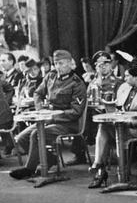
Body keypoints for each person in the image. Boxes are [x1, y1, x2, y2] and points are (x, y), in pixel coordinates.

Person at [9, 50, 87, 179]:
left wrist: (53, 116)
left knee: (36, 134)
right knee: (21, 138)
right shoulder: (50, 77)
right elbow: (37, 93)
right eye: (56, 63)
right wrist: (40, 109)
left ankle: (29, 169)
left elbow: (76, 112)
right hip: (48, 119)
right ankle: (49, 158)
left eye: (61, 63)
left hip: (68, 123)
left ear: (70, 63)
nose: (58, 67)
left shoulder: (77, 83)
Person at [88, 61, 137, 188]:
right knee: (103, 126)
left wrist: (132, 123)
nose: (125, 78)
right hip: (122, 125)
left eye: (127, 76)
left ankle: (102, 170)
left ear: (136, 76)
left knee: (111, 132)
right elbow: (119, 107)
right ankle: (100, 166)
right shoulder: (124, 88)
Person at [0, 73, 15, 156]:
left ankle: (9, 145)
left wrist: (7, 101)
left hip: (3, 117)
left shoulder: (1, 82)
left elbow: (10, 89)